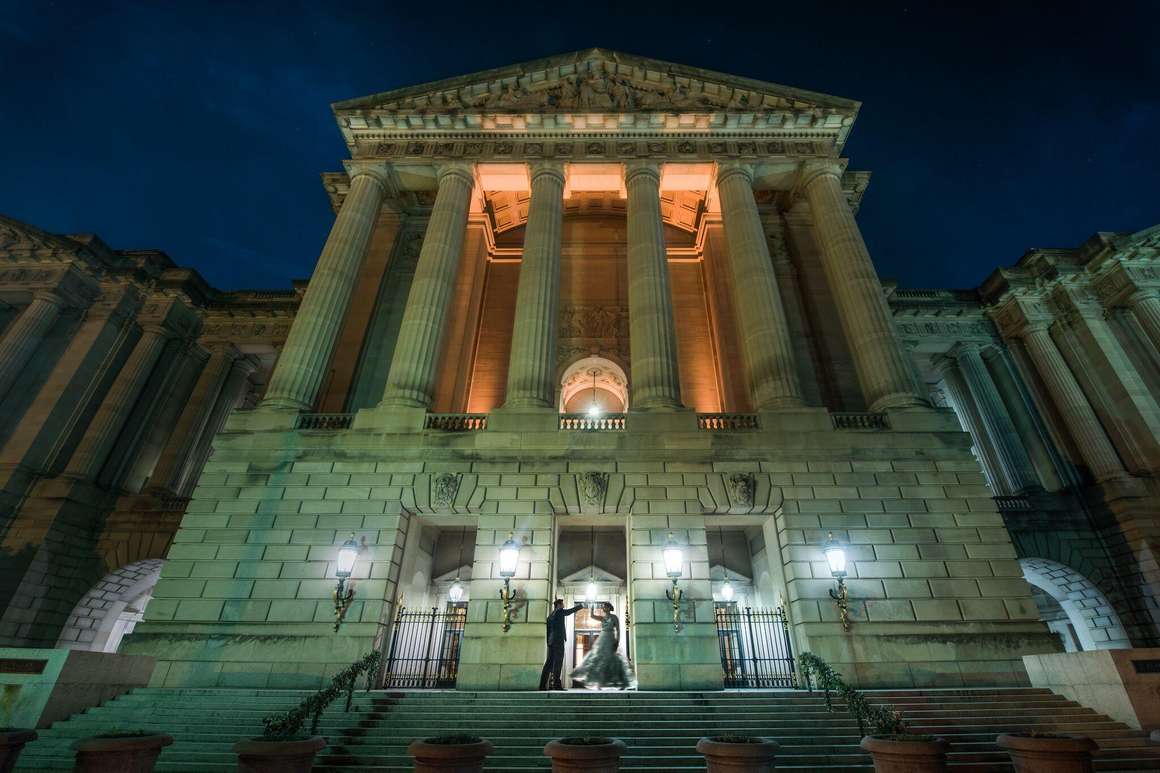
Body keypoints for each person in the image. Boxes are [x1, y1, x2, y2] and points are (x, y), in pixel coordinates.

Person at [570, 602, 632, 690]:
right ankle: (599, 681)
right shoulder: (602, 618)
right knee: (598, 658)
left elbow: (618, 630)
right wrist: (592, 607)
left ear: (609, 608)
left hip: (610, 637)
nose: (603, 608)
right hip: (603, 637)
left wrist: (617, 641)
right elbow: (592, 616)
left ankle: (616, 680)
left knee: (612, 658)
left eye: (605, 607)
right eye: (603, 607)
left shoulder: (614, 617)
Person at [539, 598, 583, 691]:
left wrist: (548, 642)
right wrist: (580, 606)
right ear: (559, 605)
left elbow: (548, 631)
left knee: (548, 663)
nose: (563, 606)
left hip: (551, 642)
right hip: (558, 641)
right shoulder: (559, 612)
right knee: (558, 663)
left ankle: (542, 685)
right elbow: (569, 612)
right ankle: (556, 685)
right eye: (562, 604)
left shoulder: (550, 616)